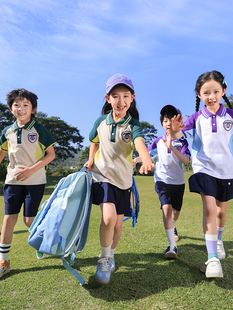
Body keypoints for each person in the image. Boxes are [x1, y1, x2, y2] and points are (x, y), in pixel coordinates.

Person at [85, 73, 154, 284]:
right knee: (108, 219)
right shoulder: (100, 122)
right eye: (116, 96)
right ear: (108, 98)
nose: (121, 101)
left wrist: (146, 160)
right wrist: (90, 161)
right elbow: (94, 141)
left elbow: (140, 142)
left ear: (132, 98)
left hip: (124, 182)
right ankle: (104, 258)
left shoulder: (133, 125)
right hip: (102, 177)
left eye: (125, 96)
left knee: (117, 225)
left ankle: (111, 254)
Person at [171, 70, 233, 278]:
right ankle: (213, 259)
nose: (211, 96)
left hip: (227, 172)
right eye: (206, 92)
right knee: (209, 209)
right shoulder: (196, 119)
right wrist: (174, 131)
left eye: (216, 91)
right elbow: (182, 137)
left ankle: (219, 240)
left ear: (224, 91)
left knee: (221, 213)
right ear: (199, 94)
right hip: (204, 169)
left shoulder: (231, 116)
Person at [0, 88, 56, 278]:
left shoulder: (39, 130)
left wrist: (32, 169)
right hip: (12, 181)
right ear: (10, 109)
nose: (21, 108)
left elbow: (51, 154)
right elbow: (1, 154)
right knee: (9, 218)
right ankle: (4, 260)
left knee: (28, 220)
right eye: (17, 105)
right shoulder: (7, 131)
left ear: (33, 109)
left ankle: (41, 243)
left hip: (36, 181)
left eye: (25, 105)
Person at [134, 105, 191, 259]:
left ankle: (173, 226)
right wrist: (137, 159)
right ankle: (172, 246)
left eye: (171, 120)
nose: (167, 123)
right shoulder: (158, 141)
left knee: (176, 212)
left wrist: (172, 146)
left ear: (178, 123)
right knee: (166, 209)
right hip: (162, 180)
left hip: (178, 182)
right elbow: (148, 153)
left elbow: (186, 161)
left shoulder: (182, 142)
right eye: (165, 120)